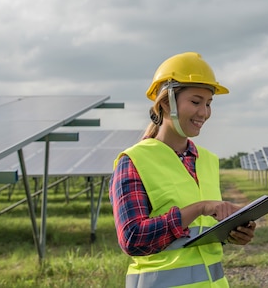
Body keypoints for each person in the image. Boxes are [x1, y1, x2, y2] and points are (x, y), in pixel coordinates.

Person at [109, 52, 256, 288]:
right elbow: (133, 239)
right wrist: (200, 208)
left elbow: (201, 236)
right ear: (166, 102)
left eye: (208, 104)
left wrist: (233, 233)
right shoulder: (134, 161)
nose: (204, 113)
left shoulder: (207, 160)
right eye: (196, 102)